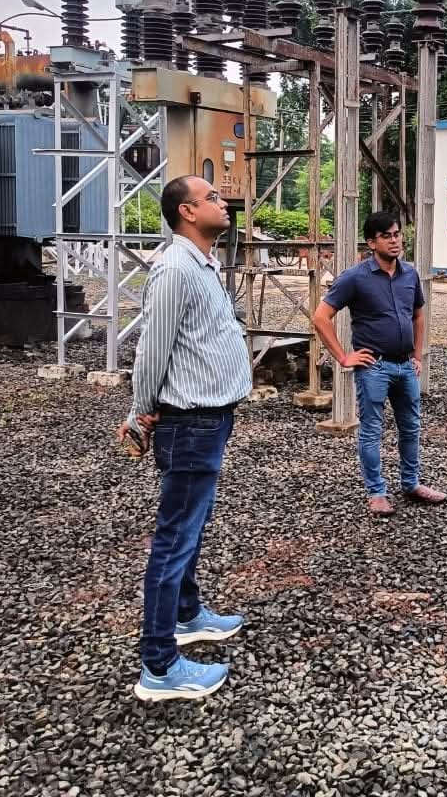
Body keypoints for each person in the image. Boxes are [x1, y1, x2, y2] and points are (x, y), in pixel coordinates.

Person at [116, 175, 253, 702]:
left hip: (210, 417)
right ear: (187, 213)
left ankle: (187, 614)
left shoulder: (203, 263)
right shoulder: (174, 268)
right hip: (190, 421)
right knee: (174, 538)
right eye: (212, 197)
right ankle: (158, 665)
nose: (223, 201)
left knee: (190, 526)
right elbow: (153, 348)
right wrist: (140, 410)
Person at [312, 211, 447, 516]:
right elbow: (321, 317)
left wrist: (416, 355)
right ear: (372, 243)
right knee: (371, 430)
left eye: (397, 234)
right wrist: (343, 356)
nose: (394, 240)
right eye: (386, 236)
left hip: (405, 366)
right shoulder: (355, 277)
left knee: (411, 427)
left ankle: (411, 483)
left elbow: (418, 315)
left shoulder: (410, 274)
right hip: (374, 367)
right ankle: (376, 493)